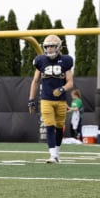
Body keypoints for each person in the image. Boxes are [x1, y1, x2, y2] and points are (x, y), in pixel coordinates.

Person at [28, 34, 74, 163]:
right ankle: (52, 155)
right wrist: (31, 99)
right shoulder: (40, 60)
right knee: (49, 125)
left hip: (61, 100)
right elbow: (35, 81)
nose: (49, 49)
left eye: (52, 46)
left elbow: (70, 82)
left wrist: (62, 89)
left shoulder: (66, 60)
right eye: (47, 47)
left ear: (59, 47)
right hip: (46, 99)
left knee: (59, 128)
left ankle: (57, 153)